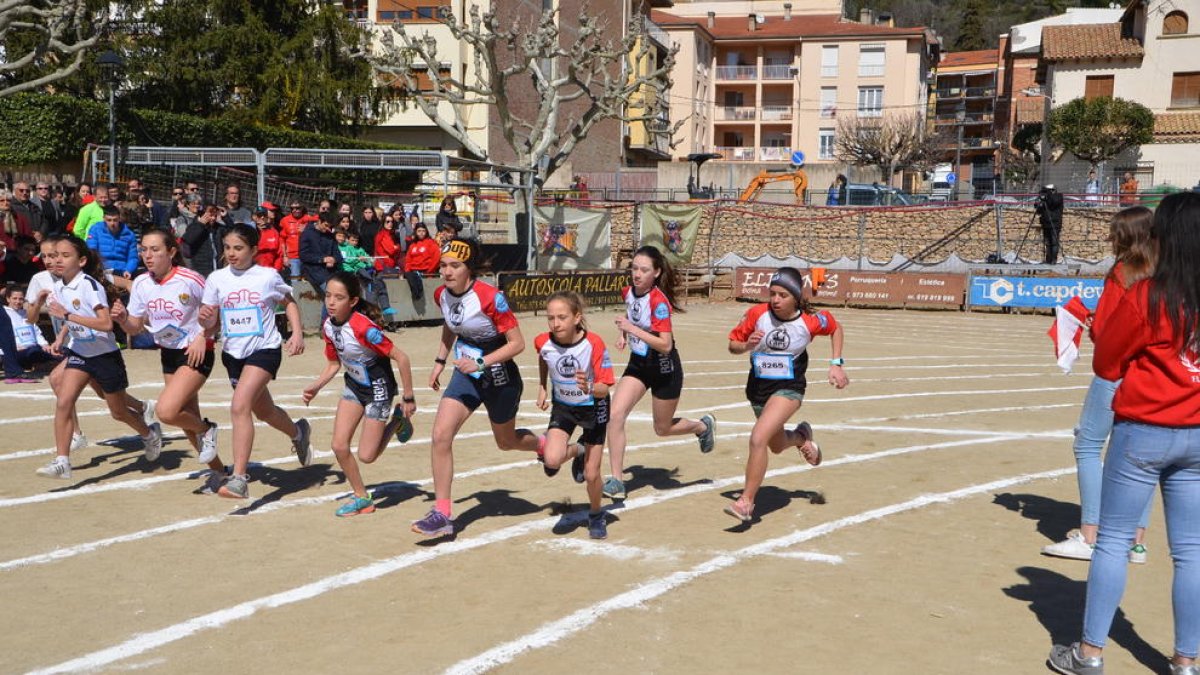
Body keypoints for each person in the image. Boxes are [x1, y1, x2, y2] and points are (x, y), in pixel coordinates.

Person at [1047, 191, 1200, 675]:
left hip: (1143, 430)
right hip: (1197, 434)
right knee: (1192, 551)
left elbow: (1107, 361)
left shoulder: (1148, 296)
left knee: (1112, 541)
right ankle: (1187, 660)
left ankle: (1090, 655)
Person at [1041, 207, 1157, 564]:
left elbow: (1108, 332)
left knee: (1088, 445)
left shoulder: (1122, 273)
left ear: (1124, 236)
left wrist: (1092, 323)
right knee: (1142, 459)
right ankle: (1136, 542)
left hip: (1116, 373)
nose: (1110, 238)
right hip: (1148, 374)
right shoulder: (1162, 272)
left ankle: (1090, 536)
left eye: (1114, 232)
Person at [412, 238, 542, 537]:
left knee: (505, 441)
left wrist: (482, 363)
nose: (447, 272)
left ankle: (544, 445)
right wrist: (439, 361)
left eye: (454, 266)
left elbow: (517, 344)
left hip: (499, 375)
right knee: (441, 434)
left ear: (469, 269)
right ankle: (442, 513)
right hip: (465, 372)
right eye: (443, 265)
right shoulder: (441, 295)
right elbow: (450, 325)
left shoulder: (490, 297)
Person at [724, 267, 848, 522]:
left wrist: (836, 363)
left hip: (790, 387)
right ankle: (802, 437)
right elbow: (732, 345)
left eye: (782, 295)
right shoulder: (757, 314)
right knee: (776, 445)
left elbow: (836, 327)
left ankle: (746, 502)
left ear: (796, 297)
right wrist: (746, 345)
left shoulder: (810, 322)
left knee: (758, 438)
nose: (776, 300)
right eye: (772, 294)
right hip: (758, 388)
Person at [198, 224, 311, 499]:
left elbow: (290, 302)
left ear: (253, 250)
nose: (232, 254)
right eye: (227, 248)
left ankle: (238, 478)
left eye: (238, 248)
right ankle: (298, 432)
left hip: (265, 349)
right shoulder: (216, 279)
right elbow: (212, 320)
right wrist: (205, 324)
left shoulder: (267, 276)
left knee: (239, 407)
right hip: (233, 354)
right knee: (264, 411)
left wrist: (296, 333)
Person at [36, 236, 162, 478]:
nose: (57, 260)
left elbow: (105, 324)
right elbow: (69, 315)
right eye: (54, 255)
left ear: (81, 260)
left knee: (118, 412)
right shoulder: (60, 285)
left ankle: (149, 434)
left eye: (65, 255)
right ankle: (62, 461)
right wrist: (63, 333)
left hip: (105, 356)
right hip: (81, 353)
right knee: (64, 401)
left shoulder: (89, 285)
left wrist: (67, 317)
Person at [111, 228, 226, 485]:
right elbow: (135, 326)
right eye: (144, 250)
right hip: (169, 355)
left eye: (155, 250)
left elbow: (216, 315)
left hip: (196, 353)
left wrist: (202, 337)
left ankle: (208, 429)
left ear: (171, 252)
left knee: (167, 411)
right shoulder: (141, 283)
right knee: (187, 420)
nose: (148, 256)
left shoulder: (191, 279)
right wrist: (121, 320)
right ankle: (219, 472)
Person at [302, 271, 417, 517]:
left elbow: (402, 357)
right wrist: (316, 386)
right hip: (354, 385)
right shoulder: (328, 327)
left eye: (339, 297)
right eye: (328, 296)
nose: (331, 302)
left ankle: (397, 420)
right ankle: (362, 497)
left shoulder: (363, 327)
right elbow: (334, 364)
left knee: (367, 455)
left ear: (353, 301)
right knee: (339, 445)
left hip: (378, 388)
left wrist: (408, 397)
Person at [604, 245, 715, 500]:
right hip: (639, 365)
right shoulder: (629, 292)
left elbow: (665, 344)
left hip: (665, 368)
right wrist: (622, 334)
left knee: (662, 429)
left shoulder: (659, 302)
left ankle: (701, 427)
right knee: (615, 414)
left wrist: (631, 330)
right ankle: (617, 481)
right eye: (634, 268)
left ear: (656, 273)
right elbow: (630, 313)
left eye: (644, 270)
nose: (637, 274)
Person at [533, 290, 614, 538]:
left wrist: (589, 386)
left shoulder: (594, 344)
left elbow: (606, 386)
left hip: (594, 407)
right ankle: (578, 450)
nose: (555, 324)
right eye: (551, 318)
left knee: (591, 474)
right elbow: (544, 358)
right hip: (564, 407)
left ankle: (597, 513)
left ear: (577, 317)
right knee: (551, 460)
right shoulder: (542, 341)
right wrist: (542, 386)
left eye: (562, 317)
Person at [86, 206, 140, 279]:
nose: (112, 223)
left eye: (115, 220)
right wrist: (96, 268)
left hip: (121, 271)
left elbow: (133, 257)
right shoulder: (95, 230)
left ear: (119, 219)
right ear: (104, 219)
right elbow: (92, 251)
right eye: (109, 220)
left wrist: (129, 270)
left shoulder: (129, 235)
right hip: (102, 269)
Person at [298, 214, 342, 299]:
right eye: (326, 225)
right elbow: (303, 255)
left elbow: (338, 255)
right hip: (313, 271)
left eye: (330, 226)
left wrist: (334, 260)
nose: (327, 228)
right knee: (332, 295)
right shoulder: (307, 234)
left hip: (331, 271)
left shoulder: (330, 236)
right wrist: (322, 260)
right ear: (319, 221)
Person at [182, 205, 227, 277]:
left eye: (215, 216)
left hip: (216, 267)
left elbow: (233, 232)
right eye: (211, 215)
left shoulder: (218, 228)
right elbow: (188, 239)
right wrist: (201, 224)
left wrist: (226, 217)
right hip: (201, 269)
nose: (213, 218)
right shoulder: (194, 226)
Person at [402, 222, 439, 302]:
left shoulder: (431, 243)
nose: (421, 233)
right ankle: (416, 294)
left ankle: (418, 293)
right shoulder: (413, 245)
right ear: (416, 232)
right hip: (413, 271)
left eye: (423, 231)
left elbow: (436, 258)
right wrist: (407, 270)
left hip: (426, 271)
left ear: (426, 232)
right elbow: (408, 259)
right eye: (419, 231)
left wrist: (429, 271)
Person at [280, 202, 316, 280]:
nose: (294, 210)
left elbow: (321, 220)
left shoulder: (308, 219)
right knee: (295, 281)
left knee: (307, 282)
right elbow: (282, 239)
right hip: (293, 257)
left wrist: (307, 229)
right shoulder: (285, 220)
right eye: (292, 208)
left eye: (297, 208)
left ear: (302, 208)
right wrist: (284, 256)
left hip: (308, 256)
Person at [1037, 184, 1065, 264]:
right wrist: (1040, 203)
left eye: (1049, 190)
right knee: (1047, 243)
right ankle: (1048, 259)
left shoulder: (1059, 196)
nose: (1047, 192)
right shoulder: (1046, 199)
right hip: (1046, 223)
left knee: (1054, 242)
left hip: (1055, 223)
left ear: (1053, 190)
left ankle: (1053, 260)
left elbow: (1054, 202)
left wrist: (1047, 194)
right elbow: (1039, 210)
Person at [252, 206, 285, 272]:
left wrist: (276, 270)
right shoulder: (250, 231)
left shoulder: (274, 232)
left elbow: (279, 254)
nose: (262, 217)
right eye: (259, 215)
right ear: (254, 217)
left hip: (270, 270)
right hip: (253, 271)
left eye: (264, 215)